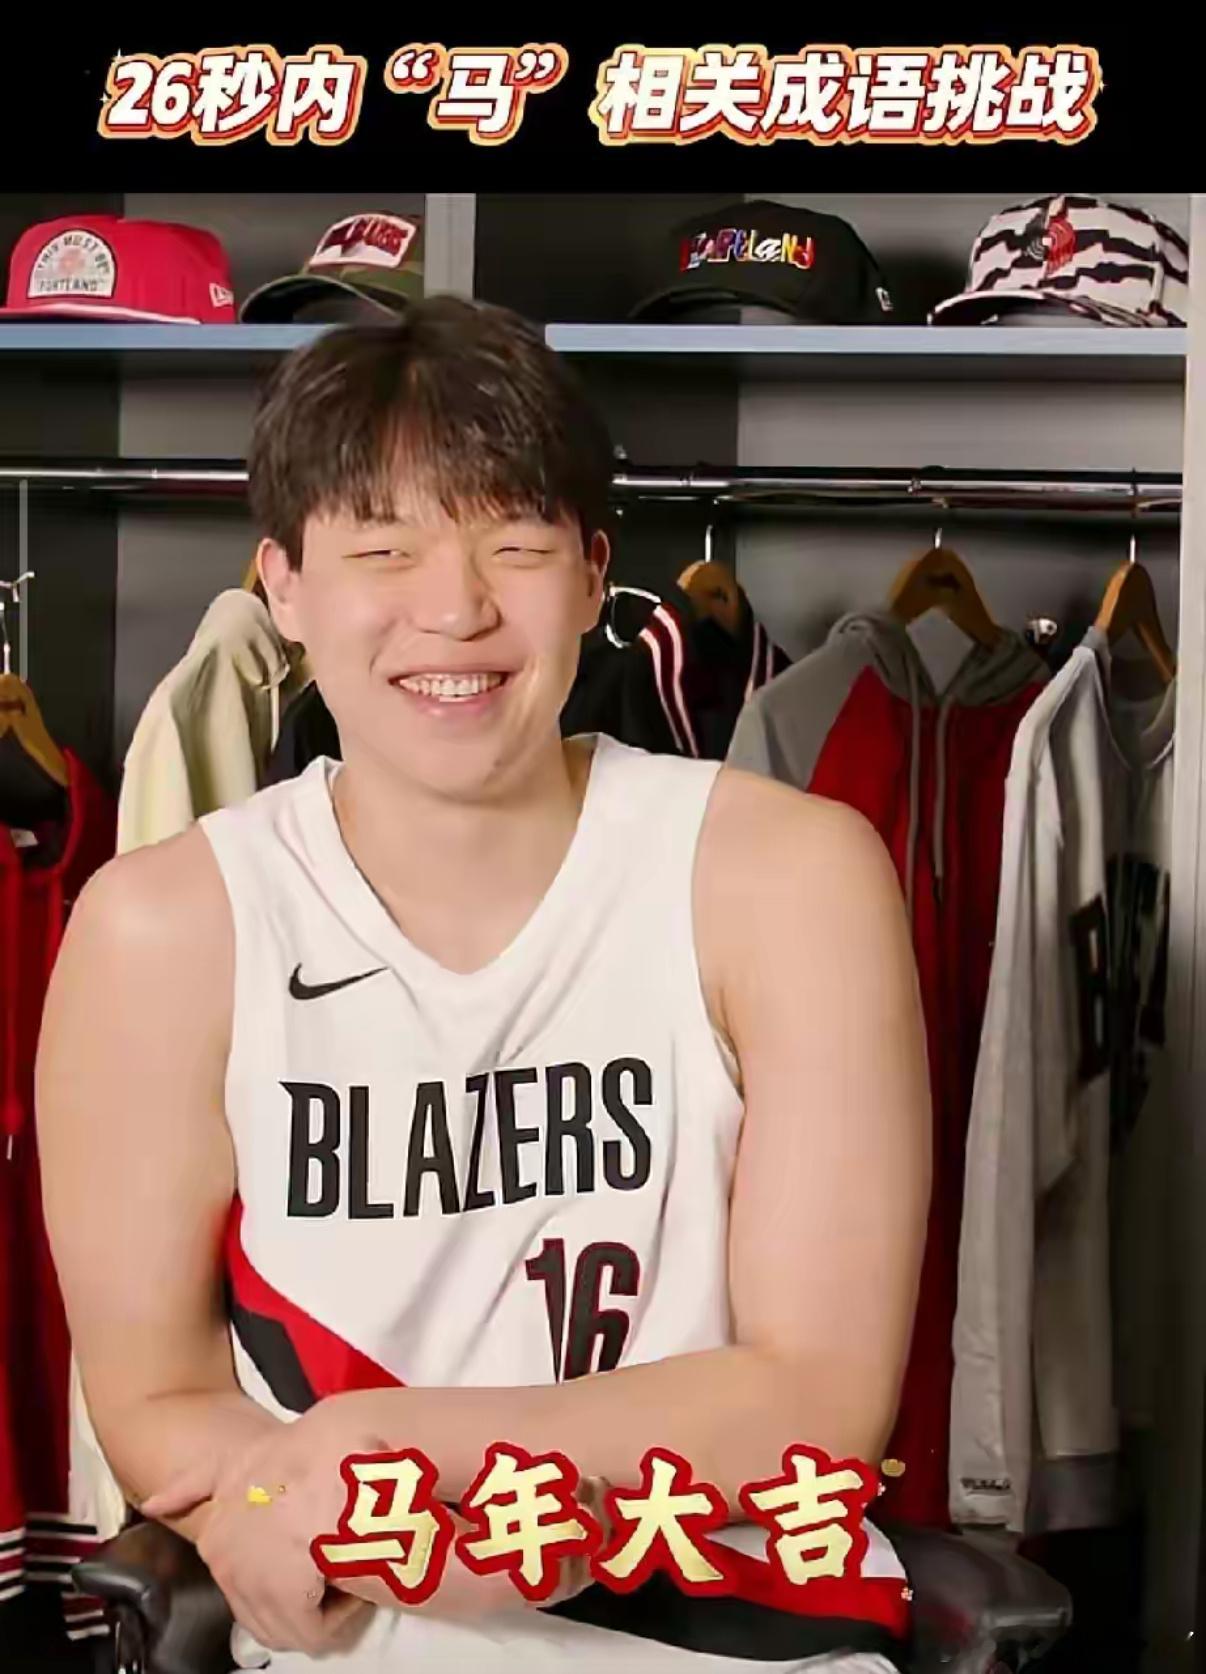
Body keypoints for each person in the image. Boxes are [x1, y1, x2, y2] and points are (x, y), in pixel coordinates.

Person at [35, 299, 931, 1673]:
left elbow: (816, 1397)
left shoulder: (786, 877)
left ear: (593, 573)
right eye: (381, 548)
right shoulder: (163, 930)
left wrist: (405, 1450)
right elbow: (157, 1395)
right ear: (283, 586)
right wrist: (282, 1504)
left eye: (514, 544)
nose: (454, 609)